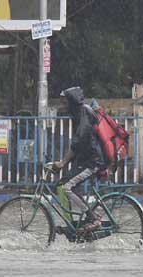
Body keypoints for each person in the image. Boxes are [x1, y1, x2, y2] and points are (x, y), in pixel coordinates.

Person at [53, 87, 107, 234]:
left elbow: (78, 142)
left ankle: (94, 218)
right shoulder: (78, 113)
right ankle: (70, 225)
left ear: (72, 101)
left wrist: (63, 162)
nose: (63, 105)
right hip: (83, 160)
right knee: (62, 185)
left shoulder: (84, 113)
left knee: (67, 187)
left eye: (65, 102)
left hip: (92, 162)